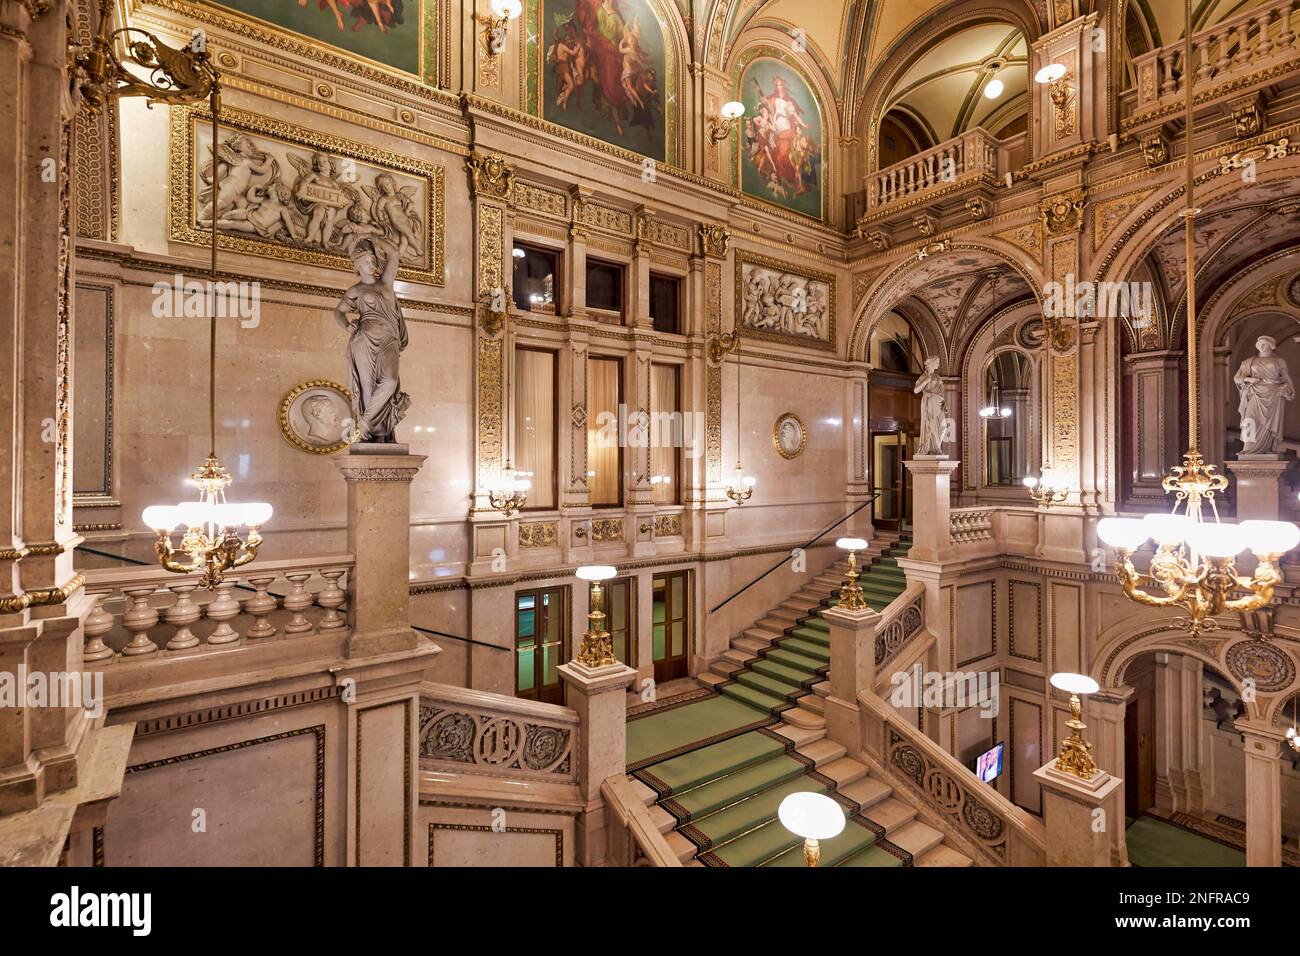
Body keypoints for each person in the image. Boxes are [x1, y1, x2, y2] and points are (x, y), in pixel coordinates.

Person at [333, 237, 410, 444]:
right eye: (368, 262)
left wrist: (375, 237)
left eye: (373, 261)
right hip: (364, 340)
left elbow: (393, 254)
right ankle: (378, 435)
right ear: (358, 266)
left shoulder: (386, 282)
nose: (372, 264)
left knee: (390, 382)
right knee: (368, 388)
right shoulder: (355, 291)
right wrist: (347, 325)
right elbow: (339, 313)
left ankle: (364, 424)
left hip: (389, 340)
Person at [1234, 334, 1294, 454]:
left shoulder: (1279, 361)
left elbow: (1286, 378)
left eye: (1264, 343)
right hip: (1253, 393)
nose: (1261, 346)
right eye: (1259, 344)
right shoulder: (1248, 362)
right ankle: (1248, 448)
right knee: (1249, 419)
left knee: (1269, 423)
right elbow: (1237, 378)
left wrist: (1291, 390)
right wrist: (1248, 379)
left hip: (1273, 394)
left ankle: (1267, 448)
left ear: (1271, 346)